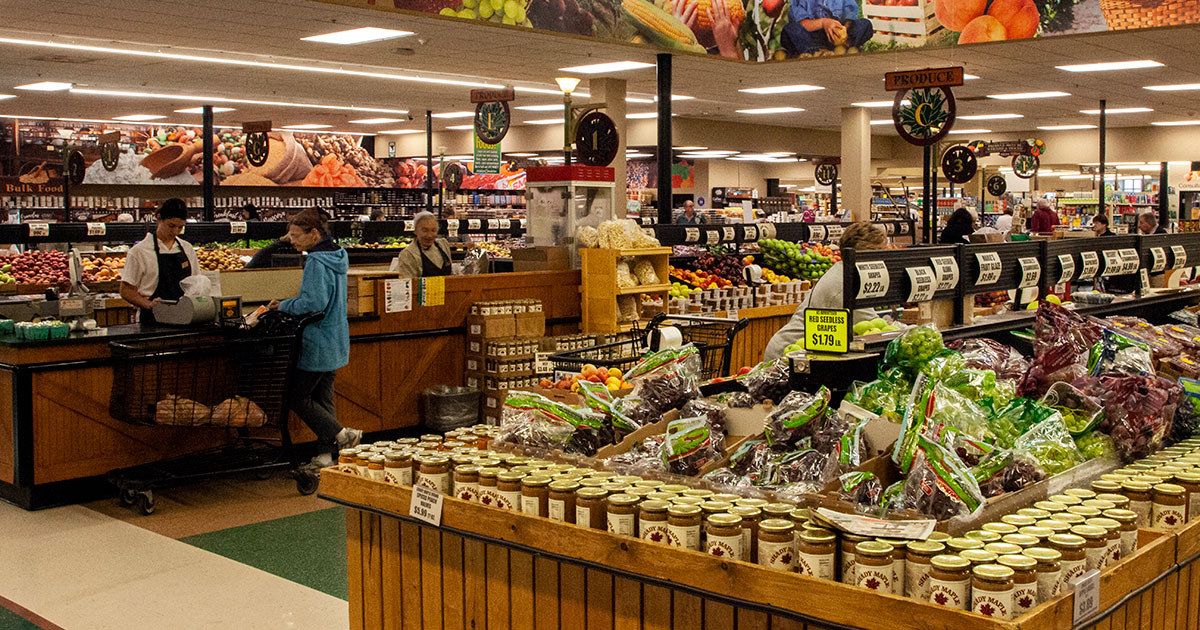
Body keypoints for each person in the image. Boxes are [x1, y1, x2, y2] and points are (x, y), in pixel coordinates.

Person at [267, 208, 361, 469]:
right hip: (336, 338)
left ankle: (344, 435)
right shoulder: (338, 257)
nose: (292, 240)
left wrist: (283, 306)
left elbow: (313, 303)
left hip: (317, 341)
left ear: (314, 234)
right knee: (323, 399)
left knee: (297, 397)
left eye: (296, 235)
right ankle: (325, 456)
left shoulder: (316, 262)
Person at [763, 222, 888, 361]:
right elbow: (874, 329)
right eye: (880, 252)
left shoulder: (848, 273)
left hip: (804, 353)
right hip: (789, 354)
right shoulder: (843, 284)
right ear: (864, 254)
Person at [120, 198, 200, 325]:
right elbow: (126, 290)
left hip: (185, 318)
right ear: (159, 218)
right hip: (152, 320)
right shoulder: (139, 251)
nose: (175, 232)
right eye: (171, 226)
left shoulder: (187, 249)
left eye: (180, 227)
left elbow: (196, 283)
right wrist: (148, 304)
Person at [781, 0, 873, 56]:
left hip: (837, 35)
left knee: (865, 24)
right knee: (790, 30)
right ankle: (817, 50)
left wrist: (844, 30)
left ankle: (845, 46)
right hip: (813, 37)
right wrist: (823, 23)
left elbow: (849, 14)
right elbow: (802, 23)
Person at [391, 211, 452, 277]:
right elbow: (408, 283)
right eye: (425, 230)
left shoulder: (443, 245)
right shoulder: (408, 254)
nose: (429, 235)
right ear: (415, 231)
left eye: (433, 230)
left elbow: (451, 275)